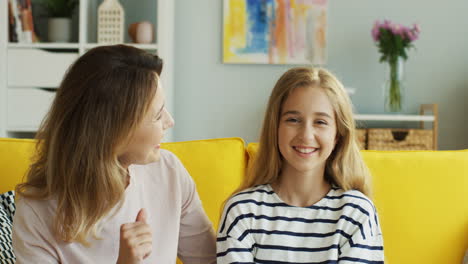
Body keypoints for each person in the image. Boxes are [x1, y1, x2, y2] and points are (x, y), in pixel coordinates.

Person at [12, 45, 216, 264]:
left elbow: (210, 261)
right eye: (157, 115)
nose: (169, 121)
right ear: (115, 131)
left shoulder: (170, 172)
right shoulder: (36, 213)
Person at [217, 67, 384, 263]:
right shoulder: (241, 211)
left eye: (320, 122)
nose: (306, 135)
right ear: (275, 128)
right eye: (293, 119)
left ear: (337, 134)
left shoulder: (356, 213)